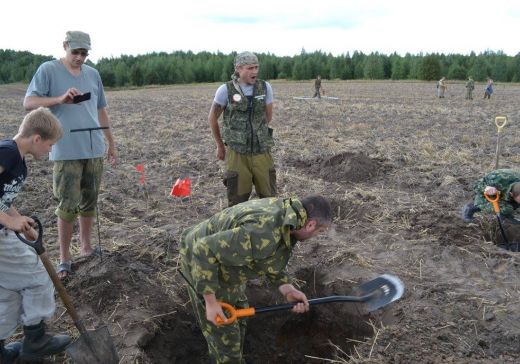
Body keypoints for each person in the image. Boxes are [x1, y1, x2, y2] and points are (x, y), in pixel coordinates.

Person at [179, 195, 331, 363]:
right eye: (320, 231)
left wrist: (287, 288)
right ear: (310, 225)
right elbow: (203, 249)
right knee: (224, 338)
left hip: (224, 260)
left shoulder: (289, 218)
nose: (317, 236)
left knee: (239, 315)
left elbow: (271, 255)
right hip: (200, 259)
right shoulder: (264, 231)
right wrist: (210, 302)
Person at [23, 31, 118, 279]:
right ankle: (65, 258)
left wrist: (111, 143)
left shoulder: (93, 74)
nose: (79, 57)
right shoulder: (48, 70)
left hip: (93, 147)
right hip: (66, 149)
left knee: (90, 201)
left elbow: (101, 110)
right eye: (75, 52)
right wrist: (60, 100)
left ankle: (86, 247)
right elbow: (29, 102)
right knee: (67, 204)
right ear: (65, 46)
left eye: (84, 53)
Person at [0, 107, 72, 363]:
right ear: (37, 138)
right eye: (50, 145)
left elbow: (3, 198)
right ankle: (36, 339)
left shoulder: (17, 160)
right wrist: (10, 222)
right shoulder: (8, 152)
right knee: (38, 277)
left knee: (7, 291)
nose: (50, 151)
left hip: (3, 231)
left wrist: (21, 222)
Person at [208, 51, 275, 207]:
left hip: (261, 151)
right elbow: (212, 119)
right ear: (238, 68)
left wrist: (255, 133)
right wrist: (219, 145)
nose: (255, 72)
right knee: (237, 200)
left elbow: (268, 116)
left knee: (269, 198)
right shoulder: (225, 90)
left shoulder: (265, 87)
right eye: (250, 68)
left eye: (256, 67)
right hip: (237, 153)